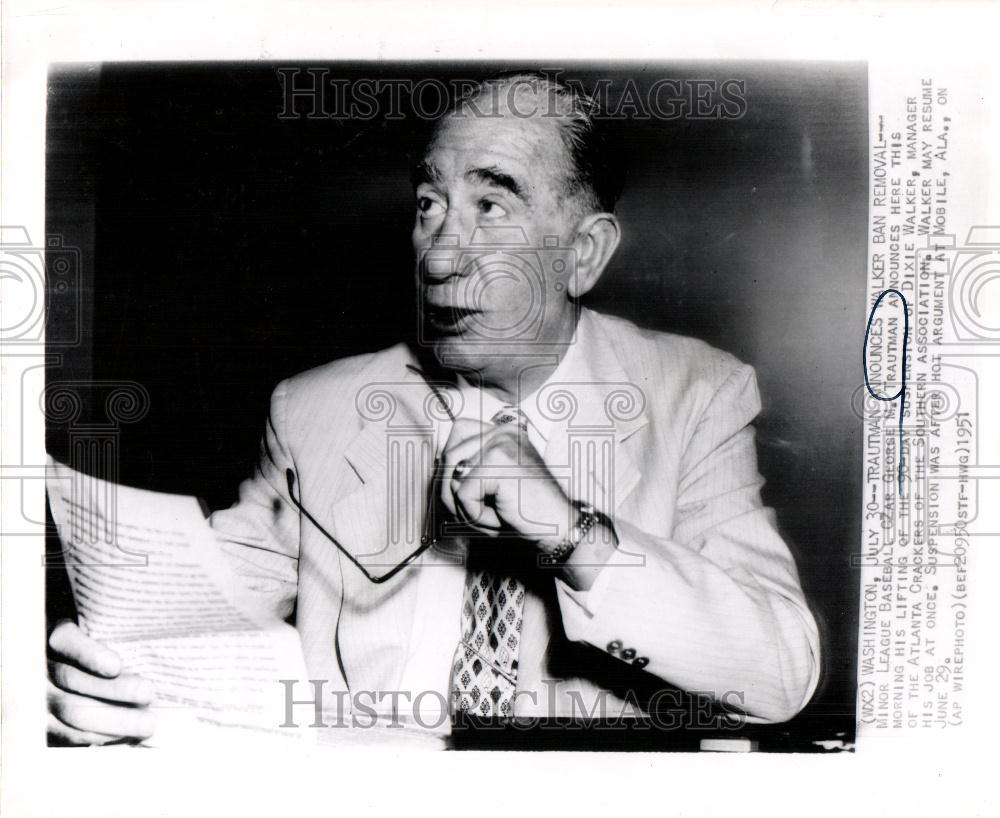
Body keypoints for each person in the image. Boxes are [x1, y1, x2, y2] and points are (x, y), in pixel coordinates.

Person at [46, 73, 820, 745]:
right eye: (429, 203)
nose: (441, 254)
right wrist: (107, 671)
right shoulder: (315, 409)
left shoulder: (695, 396)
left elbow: (779, 675)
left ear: (582, 254)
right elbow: (197, 612)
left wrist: (568, 532)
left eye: (491, 204)